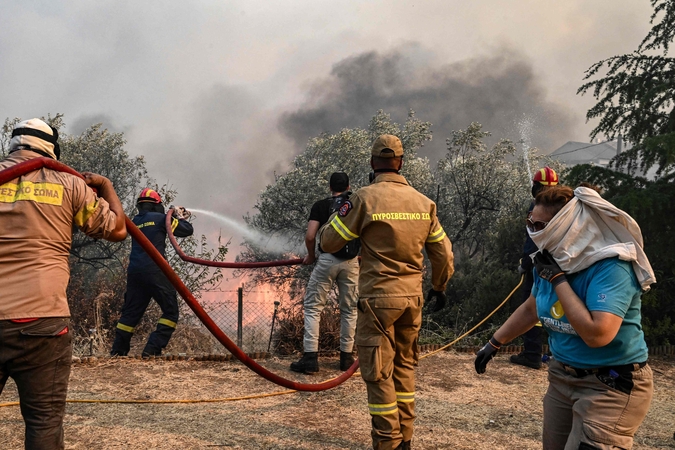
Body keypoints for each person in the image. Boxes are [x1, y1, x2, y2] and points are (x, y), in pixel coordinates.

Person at [475, 184, 655, 450]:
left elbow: (598, 334)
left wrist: (559, 280)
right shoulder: (551, 257)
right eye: (531, 224)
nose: (534, 232)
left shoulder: (611, 266)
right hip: (562, 376)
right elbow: (532, 306)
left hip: (611, 383)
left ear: (568, 224)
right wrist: (494, 343)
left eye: (541, 225)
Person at [319, 135, 454, 450]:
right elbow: (444, 255)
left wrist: (341, 211)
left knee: (379, 374)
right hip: (412, 300)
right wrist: (439, 286)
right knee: (405, 367)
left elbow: (329, 242)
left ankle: (387, 442)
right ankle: (405, 438)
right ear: (402, 163)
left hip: (378, 300)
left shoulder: (365, 199)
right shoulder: (424, 203)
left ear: (371, 164)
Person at [0, 118, 127, 449]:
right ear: (52, 149)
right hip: (42, 321)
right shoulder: (68, 185)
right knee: (43, 422)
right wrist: (107, 187)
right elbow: (117, 231)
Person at [290, 172, 360, 374]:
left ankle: (310, 359)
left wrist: (311, 255)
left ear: (330, 187)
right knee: (349, 310)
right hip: (351, 262)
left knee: (313, 308)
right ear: (349, 186)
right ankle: (346, 358)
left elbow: (310, 236)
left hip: (327, 260)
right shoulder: (356, 205)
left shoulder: (320, 206)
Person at [110, 189, 193, 357]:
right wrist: (178, 216)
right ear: (157, 205)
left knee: (130, 314)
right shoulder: (161, 219)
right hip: (156, 270)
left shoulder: (134, 221)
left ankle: (118, 353)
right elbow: (186, 230)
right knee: (171, 312)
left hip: (135, 272)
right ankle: (152, 349)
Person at [511, 166, 559, 370]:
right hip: (562, 268)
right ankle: (556, 354)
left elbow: (533, 242)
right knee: (557, 310)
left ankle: (531, 354)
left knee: (531, 308)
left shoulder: (537, 208)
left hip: (538, 268)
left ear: (536, 186)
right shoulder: (566, 207)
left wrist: (525, 264)